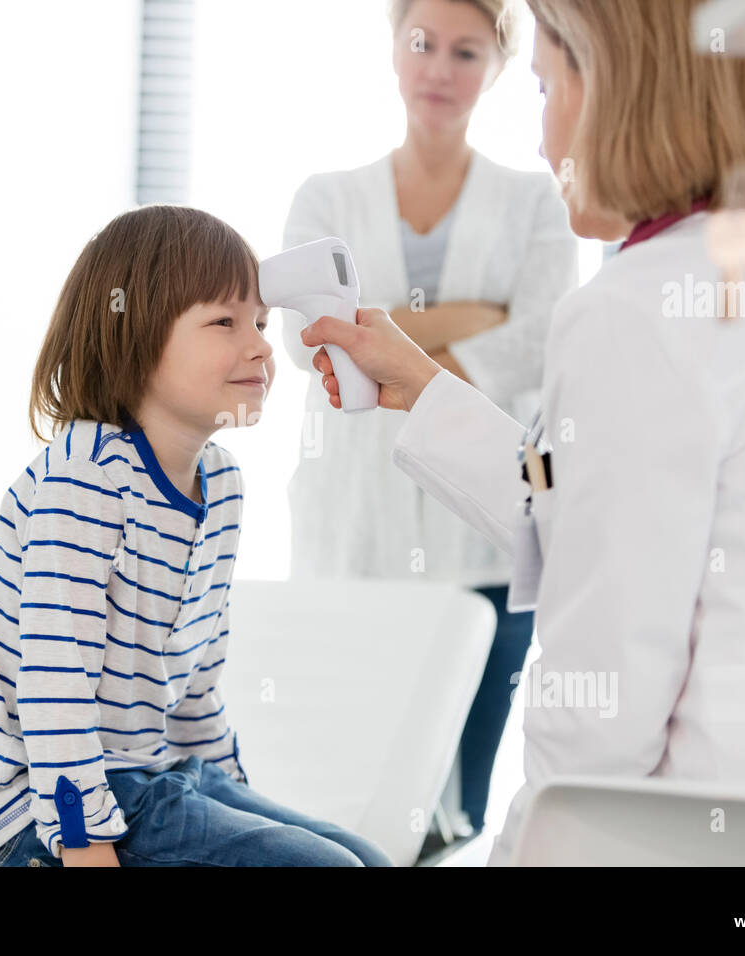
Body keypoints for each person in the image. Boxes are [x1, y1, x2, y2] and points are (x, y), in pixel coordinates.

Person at [298, 0, 745, 865]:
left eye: (548, 88)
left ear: (612, 89)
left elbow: (602, 716)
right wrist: (428, 386)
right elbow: (572, 498)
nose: (548, 141)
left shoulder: (632, 313)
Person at [0, 205, 392, 867]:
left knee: (365, 860)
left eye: (259, 320)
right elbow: (53, 684)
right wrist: (86, 849)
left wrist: (232, 803)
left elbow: (195, 683)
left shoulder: (222, 486)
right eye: (224, 322)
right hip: (30, 810)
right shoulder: (84, 480)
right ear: (135, 337)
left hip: (149, 772)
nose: (260, 345)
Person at [278, 0, 577, 840]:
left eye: (466, 51)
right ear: (393, 50)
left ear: (500, 66)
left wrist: (390, 337)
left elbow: (538, 341)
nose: (440, 69)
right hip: (355, 540)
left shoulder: (536, 203)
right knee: (346, 797)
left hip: (483, 543)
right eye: (422, 44)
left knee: (455, 813)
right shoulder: (325, 197)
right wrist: (471, 315)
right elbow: (316, 344)